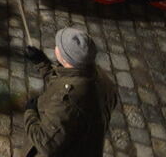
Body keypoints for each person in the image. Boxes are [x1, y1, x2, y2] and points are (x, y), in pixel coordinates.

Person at [23, 28, 117, 156]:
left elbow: (45, 143)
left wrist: (30, 112)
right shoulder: (98, 76)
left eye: (58, 46)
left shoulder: (67, 102)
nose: (55, 47)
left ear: (65, 59)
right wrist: (42, 63)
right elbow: (65, 80)